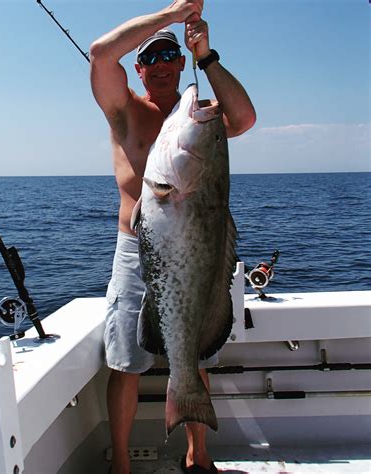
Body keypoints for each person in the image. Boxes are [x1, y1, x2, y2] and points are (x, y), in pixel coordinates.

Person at [89, 1, 256, 473]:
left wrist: (206, 54)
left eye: (169, 57)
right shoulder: (125, 112)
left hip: (195, 250)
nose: (162, 66)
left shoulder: (204, 119)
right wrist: (174, 14)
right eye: (152, 59)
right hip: (134, 253)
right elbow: (102, 54)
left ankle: (198, 455)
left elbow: (243, 119)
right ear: (139, 69)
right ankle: (120, 462)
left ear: (180, 63)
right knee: (124, 362)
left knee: (194, 352)